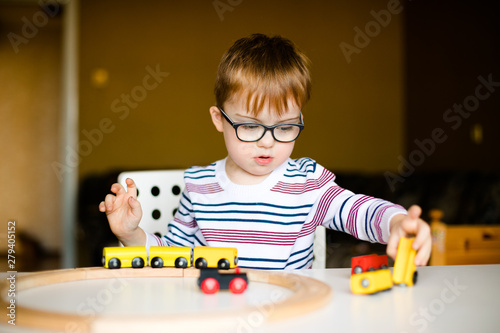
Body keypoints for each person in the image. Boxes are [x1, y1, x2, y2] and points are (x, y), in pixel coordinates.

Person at [99, 33, 431, 269]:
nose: (268, 141)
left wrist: (396, 222)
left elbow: (360, 211)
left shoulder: (308, 183)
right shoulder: (198, 186)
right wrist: (131, 233)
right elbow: (172, 256)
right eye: (250, 126)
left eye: (285, 127)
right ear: (219, 119)